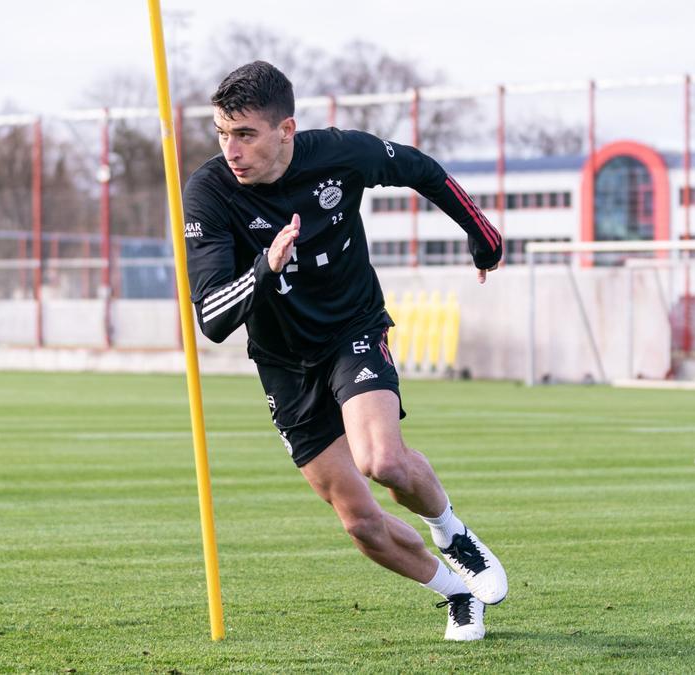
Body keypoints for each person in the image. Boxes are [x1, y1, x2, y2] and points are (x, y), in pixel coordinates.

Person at [182, 61, 507, 641]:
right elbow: (210, 318)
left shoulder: (339, 153)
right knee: (360, 523)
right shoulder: (209, 191)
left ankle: (451, 530)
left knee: (382, 462)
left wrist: (483, 238)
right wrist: (265, 266)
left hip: (351, 329)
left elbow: (422, 170)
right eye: (222, 133)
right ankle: (457, 593)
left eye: (246, 134)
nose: (231, 149)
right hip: (282, 363)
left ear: (286, 130)